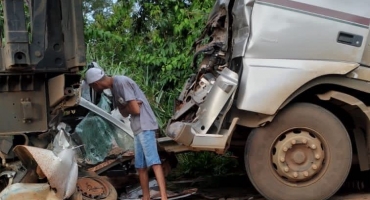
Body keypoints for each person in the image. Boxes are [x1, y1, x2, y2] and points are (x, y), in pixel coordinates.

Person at [85, 67, 167, 200]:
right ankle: (146, 197)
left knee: (154, 162)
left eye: (93, 87)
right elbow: (125, 111)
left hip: (145, 125)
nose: (95, 89)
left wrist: (129, 107)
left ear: (96, 84)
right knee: (140, 166)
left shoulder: (121, 82)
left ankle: (164, 197)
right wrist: (129, 106)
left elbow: (135, 110)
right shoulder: (114, 90)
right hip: (137, 128)